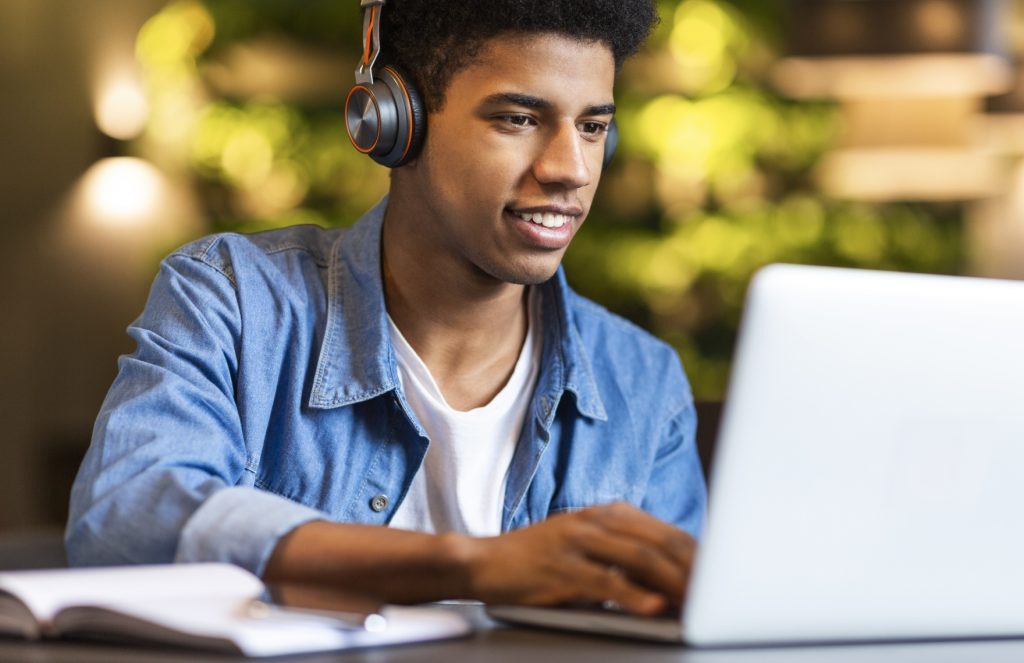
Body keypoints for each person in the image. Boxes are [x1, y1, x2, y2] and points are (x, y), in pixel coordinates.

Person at [66, 0, 706, 617]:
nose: (571, 169)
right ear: (394, 122)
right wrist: (472, 565)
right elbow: (123, 518)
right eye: (517, 118)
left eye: (592, 127)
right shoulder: (234, 301)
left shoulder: (644, 382)